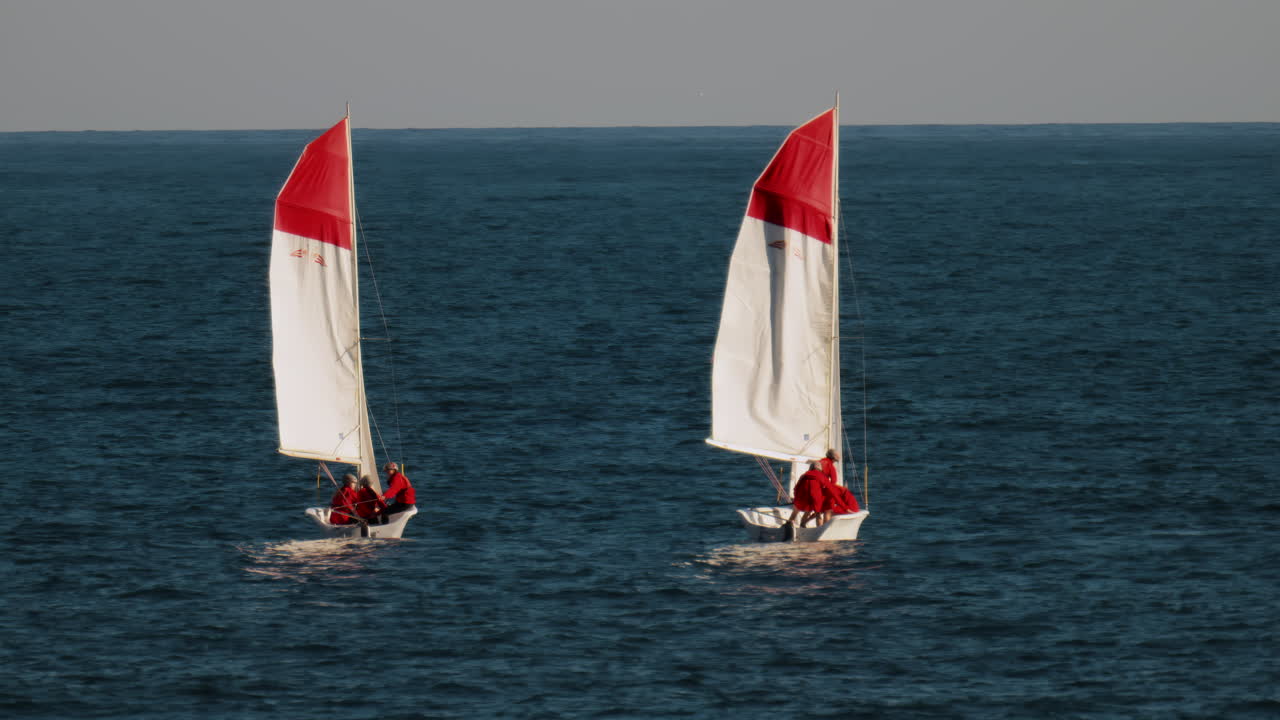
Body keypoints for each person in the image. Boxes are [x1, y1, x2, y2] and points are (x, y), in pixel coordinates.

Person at [786, 461, 830, 529]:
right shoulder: (822, 476)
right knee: (818, 514)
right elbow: (827, 489)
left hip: (801, 497)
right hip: (815, 498)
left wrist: (795, 497)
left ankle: (788, 526)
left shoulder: (804, 475)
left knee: (795, 511)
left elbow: (796, 488)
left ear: (811, 468)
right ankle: (819, 529)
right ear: (820, 469)